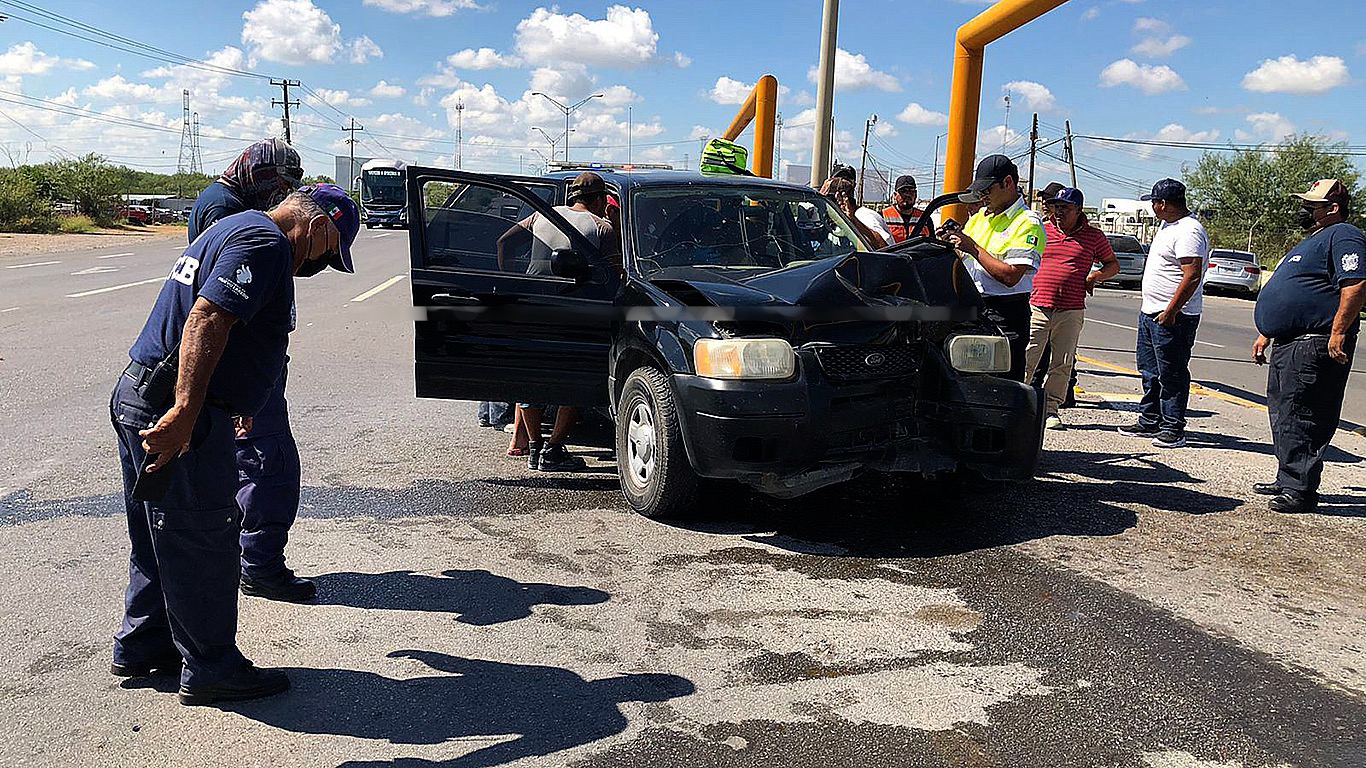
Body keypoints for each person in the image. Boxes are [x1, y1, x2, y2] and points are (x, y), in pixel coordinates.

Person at [110, 184, 359, 706]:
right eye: (329, 252)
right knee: (201, 537)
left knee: (160, 532)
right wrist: (186, 410)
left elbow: (234, 332)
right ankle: (212, 667)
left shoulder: (234, 226)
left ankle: (144, 643)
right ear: (317, 227)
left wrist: (238, 399)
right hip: (173, 409)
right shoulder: (266, 244)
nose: (318, 265)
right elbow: (207, 318)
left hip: (143, 393)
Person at [187, 139, 316, 604]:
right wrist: (246, 386)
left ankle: (253, 562)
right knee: (268, 464)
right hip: (236, 368)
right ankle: (259, 566)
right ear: (256, 173)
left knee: (259, 463)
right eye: (278, 183)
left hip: (240, 367)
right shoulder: (224, 208)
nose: (279, 193)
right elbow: (220, 306)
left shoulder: (229, 202)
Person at [1251, 179, 1366, 513]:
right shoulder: (1317, 239)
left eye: (1312, 205)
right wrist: (1267, 331)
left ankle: (1300, 489)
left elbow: (1356, 284)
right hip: (1291, 341)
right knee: (1284, 411)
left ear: (1333, 208)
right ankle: (1288, 477)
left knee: (1304, 413)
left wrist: (1338, 332)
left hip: (1314, 341)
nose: (1305, 210)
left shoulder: (1344, 235)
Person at [497, 171, 620, 470]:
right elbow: (615, 275)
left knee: (532, 377)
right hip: (575, 312)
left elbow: (503, 243)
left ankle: (535, 448)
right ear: (601, 199)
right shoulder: (601, 227)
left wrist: (512, 281)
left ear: (571, 196)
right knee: (574, 379)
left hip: (533, 307)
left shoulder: (541, 216)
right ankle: (554, 451)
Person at [1118, 178, 1209, 448]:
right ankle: (1150, 419)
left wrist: (1171, 311)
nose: (1152, 207)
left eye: (1154, 203)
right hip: (1152, 312)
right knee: (1150, 370)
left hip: (1173, 316)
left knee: (1171, 372)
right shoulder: (1168, 226)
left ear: (1163, 204)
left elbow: (1192, 276)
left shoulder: (1189, 231)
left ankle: (1173, 426)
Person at [940, 154, 1046, 382]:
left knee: (1001, 383)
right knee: (968, 380)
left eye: (987, 190)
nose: (982, 196)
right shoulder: (980, 217)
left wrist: (972, 247)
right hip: (972, 308)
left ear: (1008, 183)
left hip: (1004, 313)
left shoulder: (1027, 222)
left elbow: (1010, 276)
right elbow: (963, 257)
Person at [1024, 187, 1119, 429]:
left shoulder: (1093, 237)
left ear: (1078, 210)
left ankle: (1051, 409)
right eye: (1056, 207)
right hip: (1037, 306)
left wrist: (1095, 276)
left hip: (1071, 309)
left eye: (1065, 208)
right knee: (1026, 358)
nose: (1059, 212)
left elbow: (1112, 265)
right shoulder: (1042, 230)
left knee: (1062, 363)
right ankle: (1019, 406)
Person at [187, 138, 302, 243]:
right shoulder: (224, 207)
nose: (285, 191)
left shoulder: (234, 197)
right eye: (283, 183)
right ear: (262, 174)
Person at [826, 177, 893, 248]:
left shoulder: (865, 216)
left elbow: (885, 248)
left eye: (830, 200)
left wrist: (854, 221)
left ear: (840, 198)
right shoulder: (839, 220)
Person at [882, 175, 925, 243]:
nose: (907, 195)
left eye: (911, 191)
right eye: (903, 191)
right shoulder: (883, 216)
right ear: (895, 195)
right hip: (893, 253)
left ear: (916, 194)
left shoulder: (925, 218)